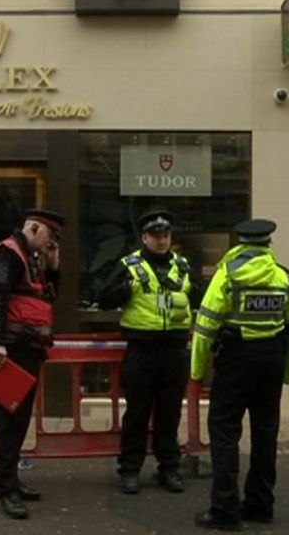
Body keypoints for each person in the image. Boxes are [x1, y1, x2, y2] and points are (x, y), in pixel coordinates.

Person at [190, 219, 289, 531]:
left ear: (240, 244)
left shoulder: (227, 275)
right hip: (272, 361)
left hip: (236, 360)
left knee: (224, 431)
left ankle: (225, 510)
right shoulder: (284, 277)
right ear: (268, 244)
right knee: (265, 433)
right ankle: (260, 504)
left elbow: (205, 326)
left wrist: (197, 370)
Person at [97, 210, 196, 495]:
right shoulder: (129, 265)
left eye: (165, 235)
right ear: (144, 238)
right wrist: (125, 290)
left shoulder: (183, 266)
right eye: (156, 236)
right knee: (137, 414)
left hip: (174, 350)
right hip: (142, 350)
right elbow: (102, 298)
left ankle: (169, 468)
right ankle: (129, 470)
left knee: (170, 413)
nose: (162, 240)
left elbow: (197, 296)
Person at [0, 208, 65, 520]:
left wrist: (53, 266)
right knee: (9, 419)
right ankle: (6, 487)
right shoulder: (10, 255)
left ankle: (9, 478)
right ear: (33, 229)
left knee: (18, 418)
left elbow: (48, 297)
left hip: (26, 348)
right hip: (12, 350)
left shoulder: (29, 257)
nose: (50, 244)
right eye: (49, 237)